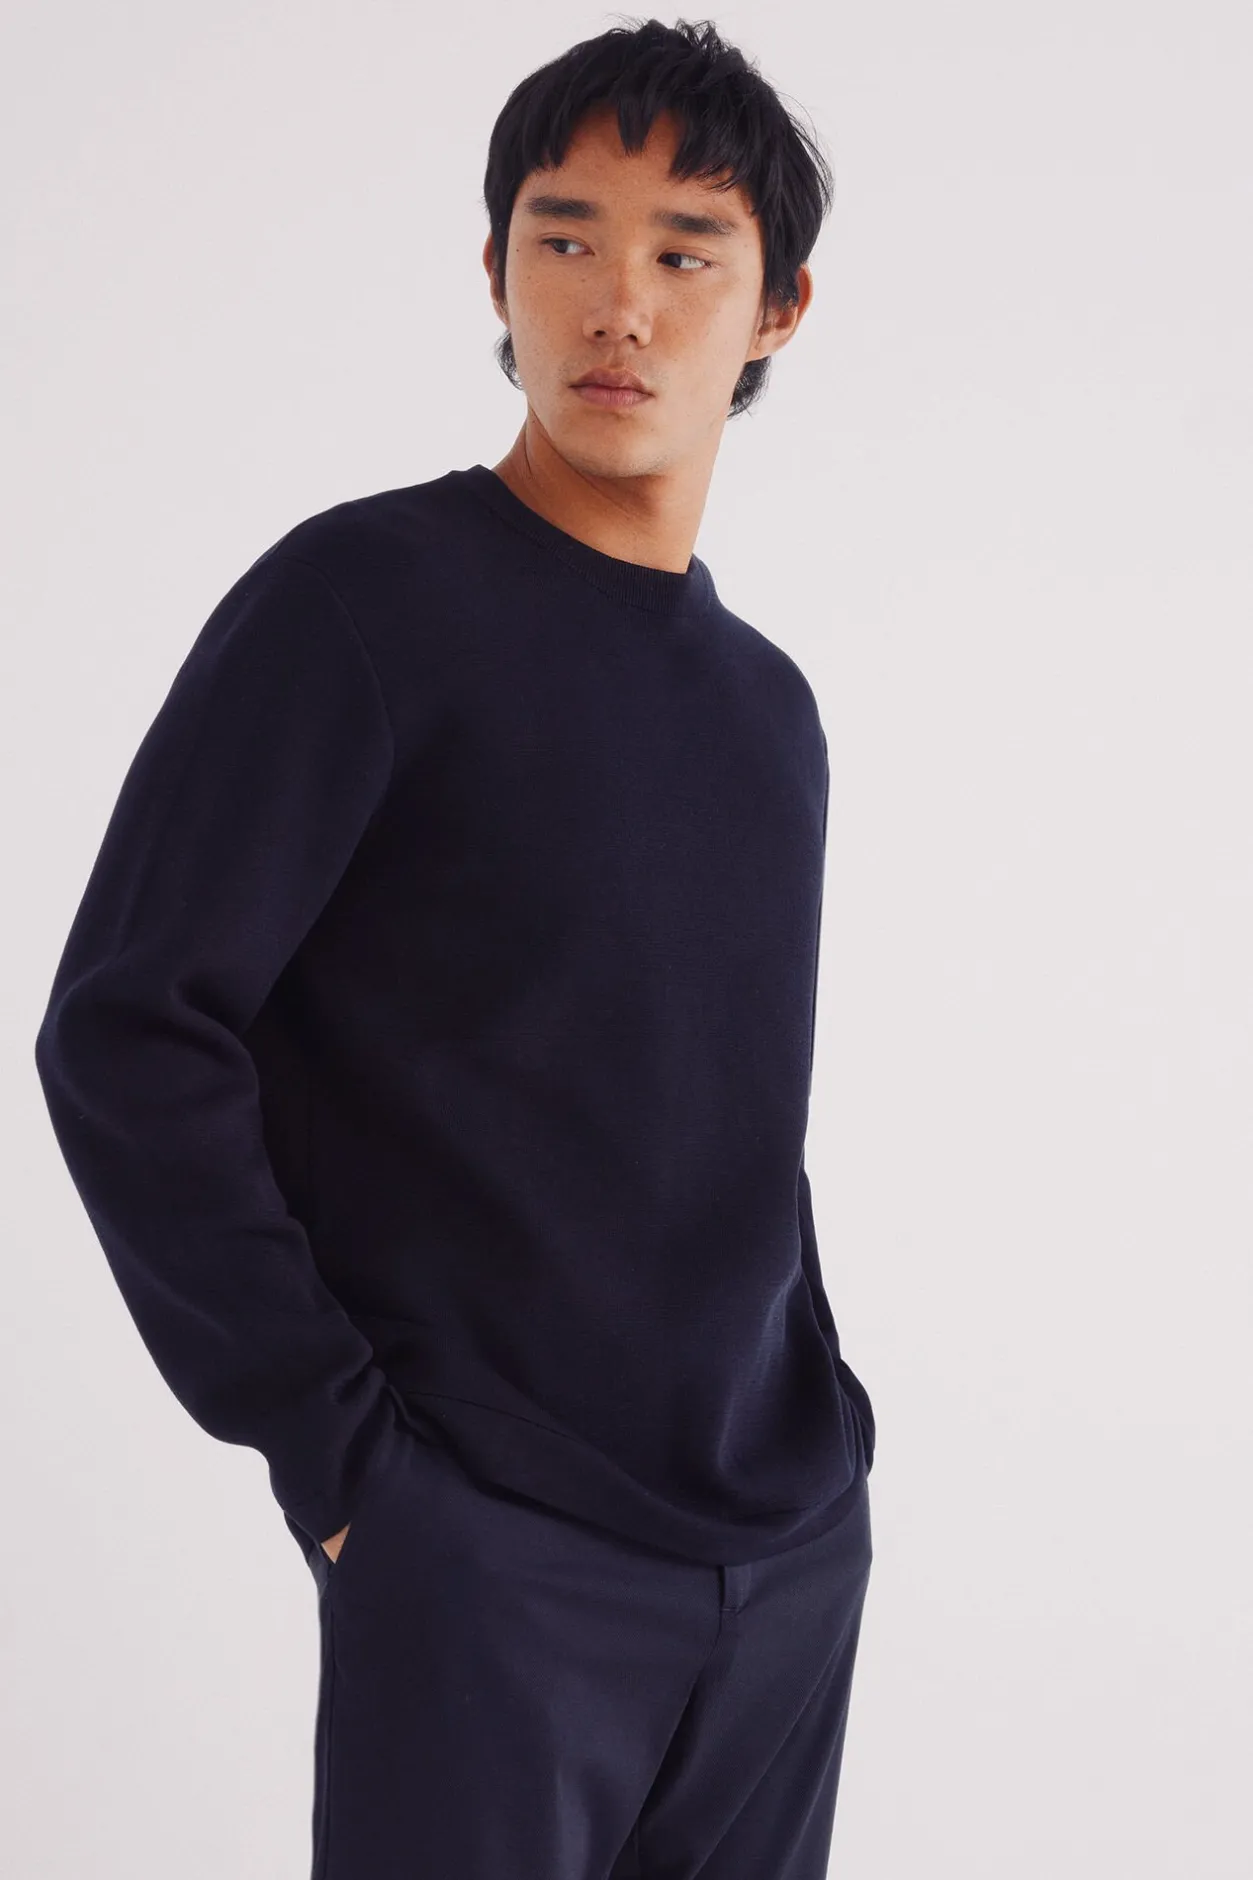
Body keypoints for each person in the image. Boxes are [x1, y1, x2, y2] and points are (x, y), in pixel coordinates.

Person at [33, 18, 877, 1878]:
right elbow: (131, 1032)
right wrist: (340, 1461)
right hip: (490, 1566)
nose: (619, 305)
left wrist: (823, 1443)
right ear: (495, 268)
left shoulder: (770, 713)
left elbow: (724, 1119)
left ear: (780, 309)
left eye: (687, 253)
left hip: (783, 1563)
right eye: (565, 238)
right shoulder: (361, 604)